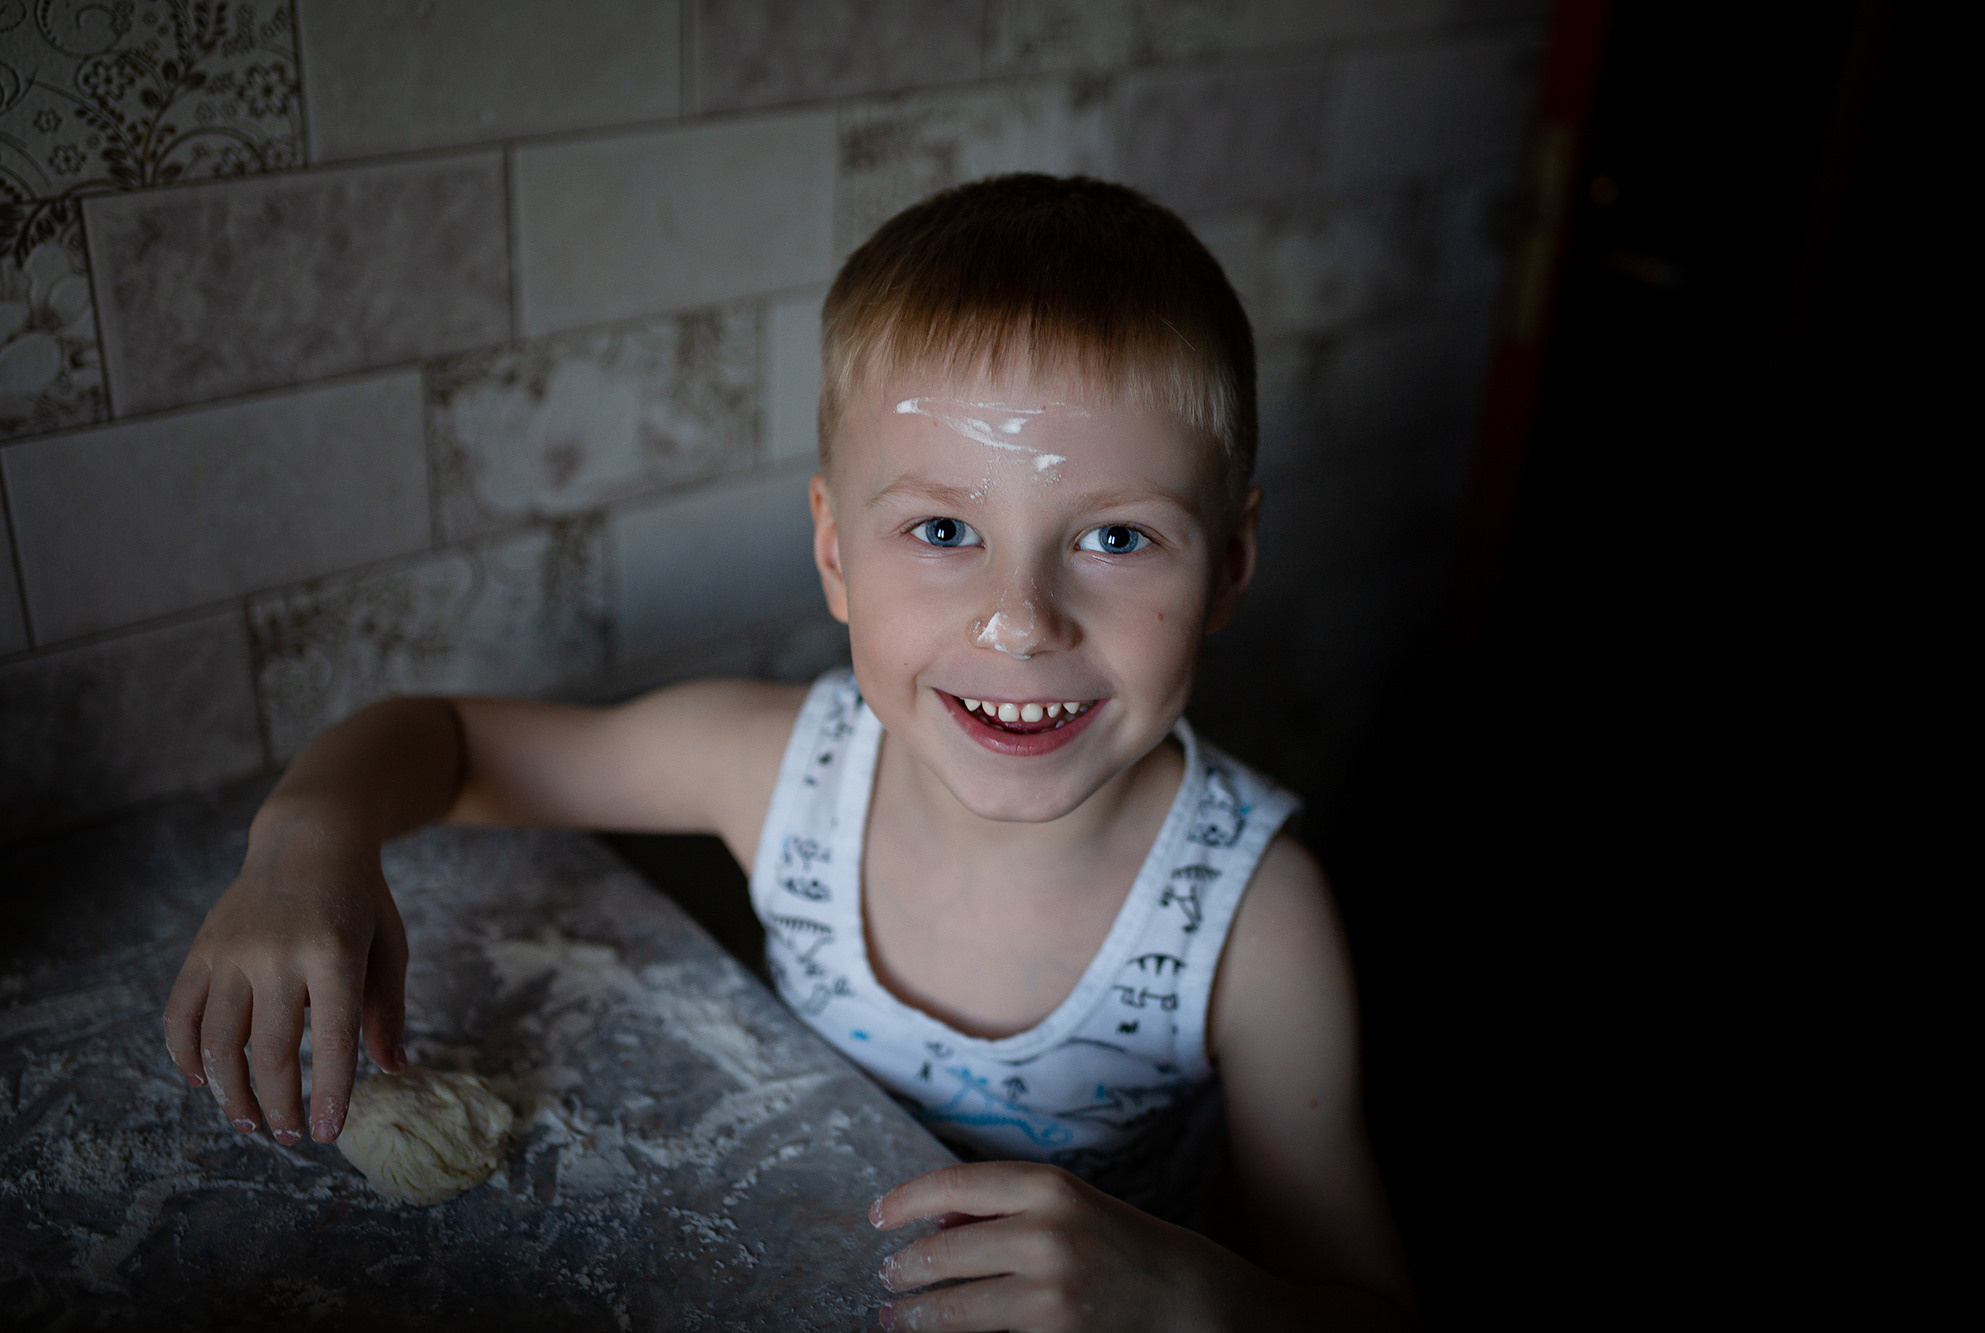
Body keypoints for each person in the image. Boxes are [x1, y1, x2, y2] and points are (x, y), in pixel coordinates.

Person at [164, 174, 1414, 1331]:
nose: (1020, 621)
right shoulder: (776, 771)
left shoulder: (1255, 921)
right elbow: (444, 739)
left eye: (1119, 540)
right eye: (940, 526)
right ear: (831, 551)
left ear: (1231, 565)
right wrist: (304, 848)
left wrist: (1194, 1304)